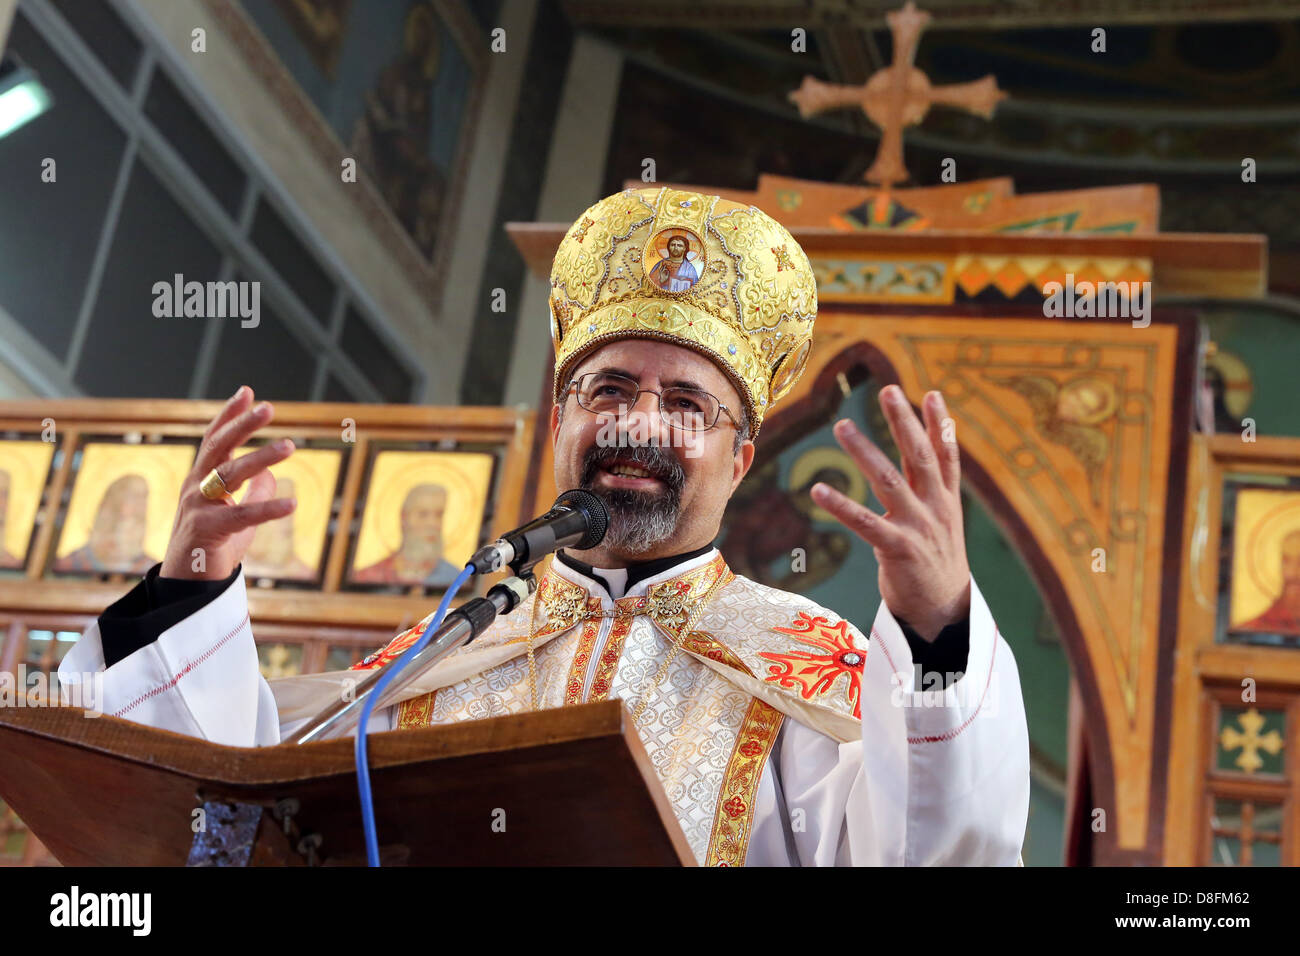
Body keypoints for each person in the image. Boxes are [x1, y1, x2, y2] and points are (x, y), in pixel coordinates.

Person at [61, 186, 1029, 866]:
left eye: (686, 403)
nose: (639, 422)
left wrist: (939, 626)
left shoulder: (814, 674)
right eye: (607, 388)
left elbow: (937, 852)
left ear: (739, 460)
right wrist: (187, 588)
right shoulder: (442, 649)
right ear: (562, 422)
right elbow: (226, 817)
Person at [352, 483, 459, 587]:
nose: (433, 524)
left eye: (439, 515)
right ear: (404, 517)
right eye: (423, 514)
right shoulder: (369, 575)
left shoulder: (455, 578)